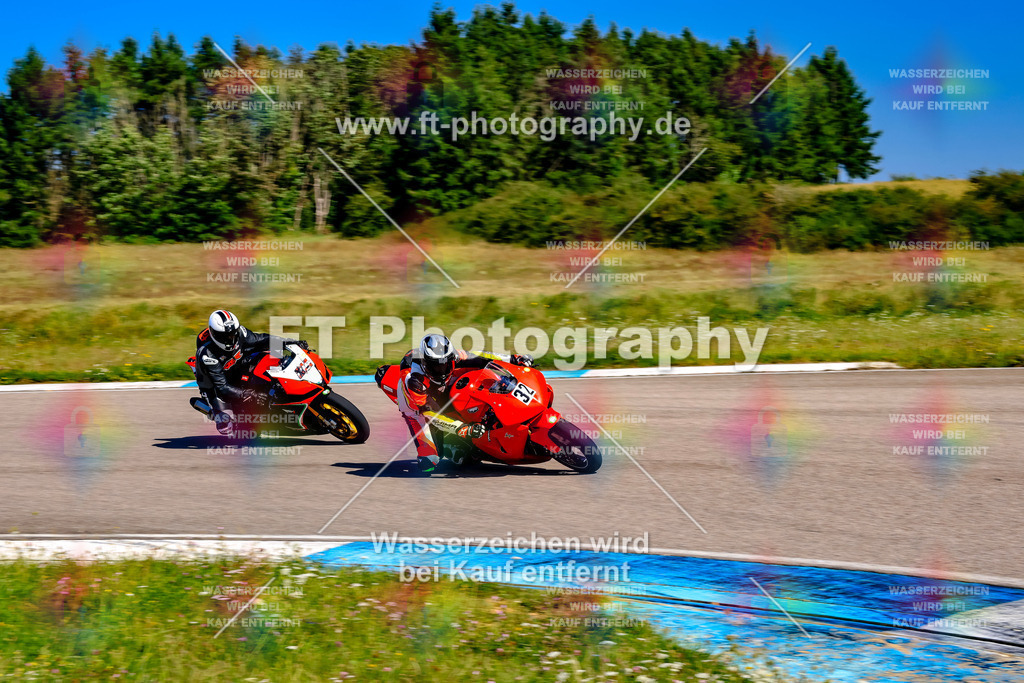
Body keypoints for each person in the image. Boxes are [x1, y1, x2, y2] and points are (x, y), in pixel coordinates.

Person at [383, 333, 532, 473]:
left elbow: (482, 355)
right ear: (425, 363)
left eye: (445, 364)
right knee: (430, 462)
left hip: (441, 386)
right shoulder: (414, 380)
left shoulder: (452, 356)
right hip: (418, 407)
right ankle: (452, 447)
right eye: (436, 366)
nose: (441, 369)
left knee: (479, 371)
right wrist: (462, 429)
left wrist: (514, 359)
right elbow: (430, 414)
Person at [194, 310, 308, 434]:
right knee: (226, 426)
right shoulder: (208, 355)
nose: (231, 339)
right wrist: (250, 394)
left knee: (268, 353)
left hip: (237, 363)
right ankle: (213, 411)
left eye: (233, 334)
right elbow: (222, 387)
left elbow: (261, 339)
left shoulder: (240, 332)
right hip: (216, 383)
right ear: (214, 334)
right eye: (225, 336)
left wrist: (288, 342)